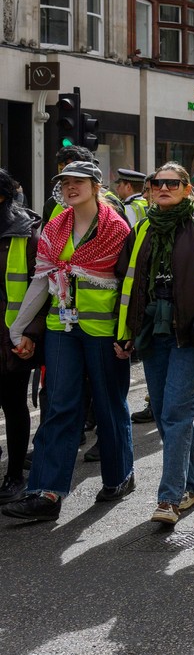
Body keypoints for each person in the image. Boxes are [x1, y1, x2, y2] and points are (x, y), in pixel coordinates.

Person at [3, 161, 134, 522]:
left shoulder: (117, 228)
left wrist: (128, 334)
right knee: (59, 405)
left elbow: (129, 288)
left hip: (103, 331)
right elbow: (42, 279)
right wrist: (18, 328)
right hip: (61, 329)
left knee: (108, 404)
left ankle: (120, 475)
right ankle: (45, 492)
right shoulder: (55, 226)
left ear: (96, 186)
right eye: (65, 182)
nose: (70, 187)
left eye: (79, 181)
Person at [113, 162, 194, 525]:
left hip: (191, 336)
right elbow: (127, 284)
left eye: (173, 183)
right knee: (165, 412)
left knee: (175, 412)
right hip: (152, 333)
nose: (163, 187)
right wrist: (124, 333)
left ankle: (169, 499)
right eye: (157, 182)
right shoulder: (141, 229)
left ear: (188, 189)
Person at [0, 170, 42, 503]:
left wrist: (29, 333)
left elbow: (42, 288)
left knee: (13, 405)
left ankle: (15, 476)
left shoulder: (26, 235)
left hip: (12, 338)